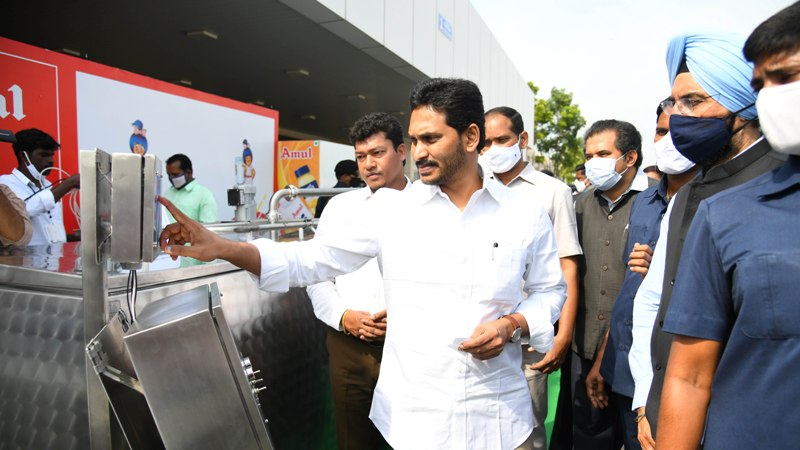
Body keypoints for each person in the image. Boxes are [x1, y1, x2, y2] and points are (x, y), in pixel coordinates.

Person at [158, 78, 566, 449]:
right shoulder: (393, 210)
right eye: (415, 140)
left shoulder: (524, 214)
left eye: (431, 139)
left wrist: (512, 326)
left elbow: (551, 291)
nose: (418, 154)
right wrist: (223, 247)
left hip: (497, 420)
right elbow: (310, 261)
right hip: (414, 423)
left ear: (471, 136)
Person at [628, 32, 786, 441]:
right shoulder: (687, 195)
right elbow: (656, 305)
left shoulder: (780, 186)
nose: (678, 116)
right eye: (674, 103)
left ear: (743, 105)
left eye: (693, 102)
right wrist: (648, 399)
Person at [597, 99, 697, 450]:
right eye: (661, 131)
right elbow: (630, 289)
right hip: (625, 367)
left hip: (676, 369)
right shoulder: (643, 202)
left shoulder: (710, 200)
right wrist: (602, 360)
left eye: (678, 131)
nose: (668, 140)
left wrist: (666, 271)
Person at [306, 112, 409, 450]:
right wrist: (343, 317)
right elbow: (317, 277)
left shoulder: (429, 207)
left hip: (412, 348)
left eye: (378, 153)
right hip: (349, 347)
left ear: (402, 151)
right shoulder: (339, 208)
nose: (368, 165)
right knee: (354, 441)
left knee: (413, 439)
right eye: (361, 157)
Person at [481, 106, 582, 450]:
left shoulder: (553, 192)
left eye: (502, 140)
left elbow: (567, 266)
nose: (494, 149)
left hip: (527, 339)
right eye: (487, 143)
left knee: (528, 435)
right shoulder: (475, 189)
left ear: (522, 140)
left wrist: (562, 335)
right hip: (480, 337)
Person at [572, 119, 653, 450]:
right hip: (584, 346)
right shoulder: (577, 206)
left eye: (603, 154)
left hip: (636, 351)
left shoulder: (654, 205)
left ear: (630, 158)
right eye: (588, 155)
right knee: (590, 437)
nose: (593, 163)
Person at [0, 128, 80, 245]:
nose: (51, 160)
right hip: (23, 261)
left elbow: (51, 236)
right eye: (44, 155)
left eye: (52, 155)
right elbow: (23, 211)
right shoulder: (5, 184)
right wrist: (69, 183)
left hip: (53, 260)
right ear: (23, 156)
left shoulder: (48, 185)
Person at [163, 153, 219, 223]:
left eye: (175, 174)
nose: (171, 178)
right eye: (169, 174)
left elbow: (208, 229)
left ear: (189, 173)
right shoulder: (168, 193)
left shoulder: (205, 195)